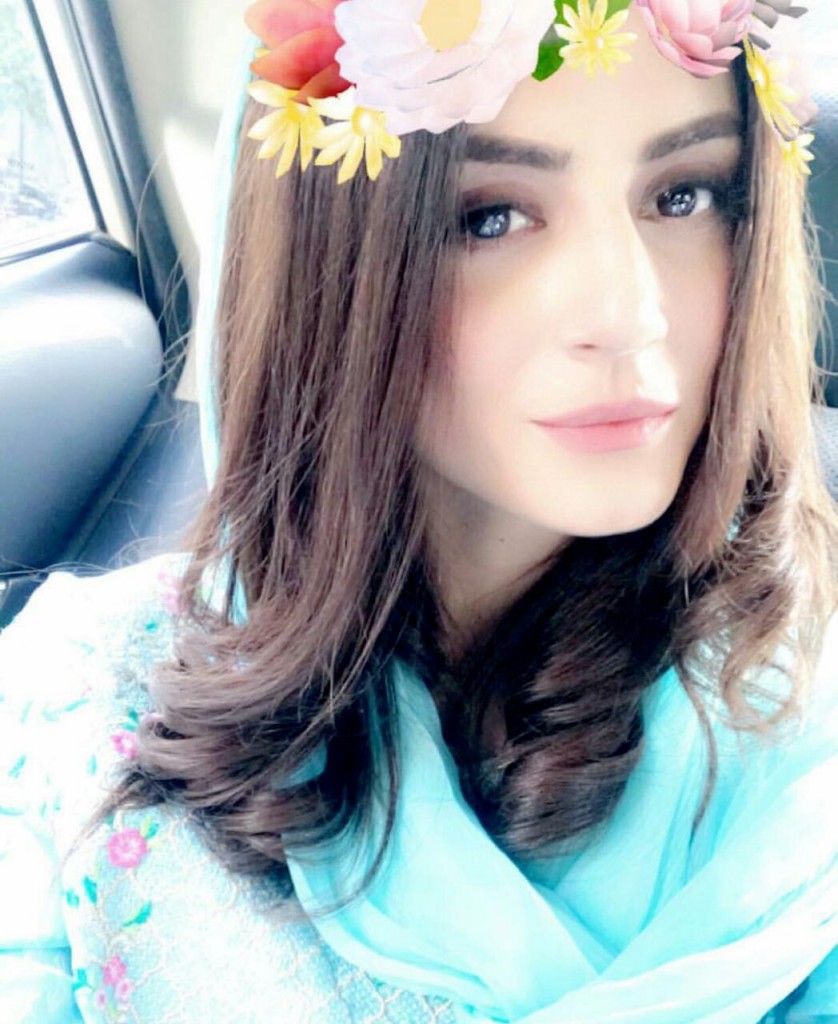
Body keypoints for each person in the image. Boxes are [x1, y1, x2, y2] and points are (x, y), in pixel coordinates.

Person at [1, 1, 836, 1021]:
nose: (629, 315)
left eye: (683, 196)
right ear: (329, 272)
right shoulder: (75, 702)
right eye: (489, 217)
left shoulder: (805, 734)